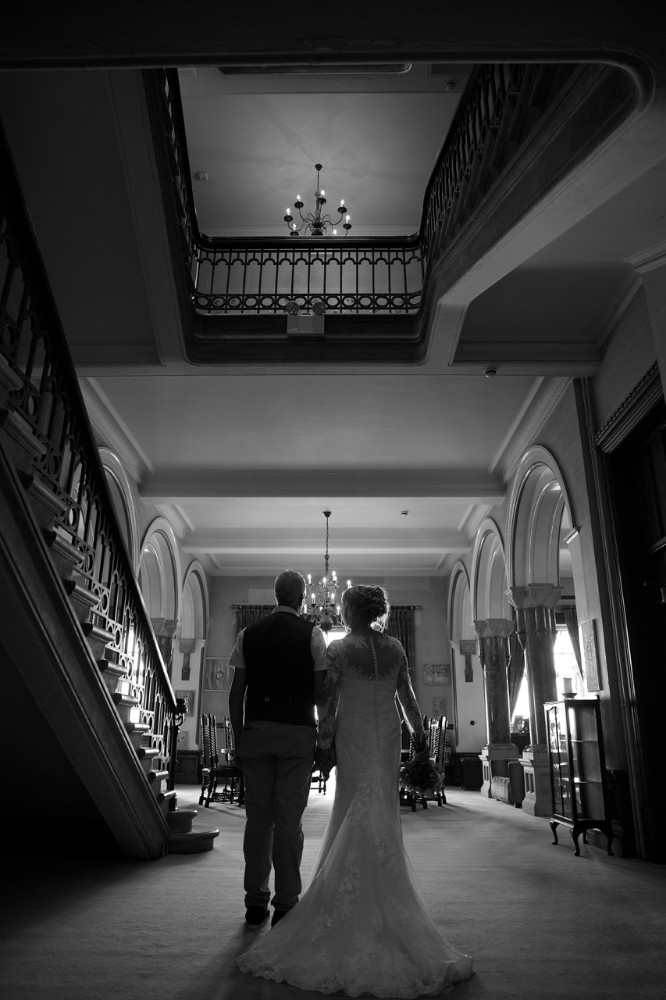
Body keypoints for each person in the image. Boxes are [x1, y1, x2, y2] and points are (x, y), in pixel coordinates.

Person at [237, 584, 474, 997]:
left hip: (353, 735)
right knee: (381, 805)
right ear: (376, 611)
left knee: (350, 804)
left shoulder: (341, 650)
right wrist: (420, 737)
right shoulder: (395, 648)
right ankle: (385, 889)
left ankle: (332, 891)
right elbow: (407, 697)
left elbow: (329, 703)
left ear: (350, 611)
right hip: (387, 737)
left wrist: (324, 745)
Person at [228, 569, 327, 928]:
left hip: (257, 733)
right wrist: (324, 741)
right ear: (301, 599)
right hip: (297, 736)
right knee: (288, 820)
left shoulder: (248, 634)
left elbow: (236, 693)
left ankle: (255, 902)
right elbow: (321, 696)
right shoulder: (313, 635)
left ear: (275, 596)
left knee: (258, 819)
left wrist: (239, 739)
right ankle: (285, 903)